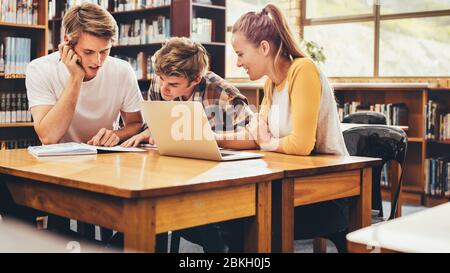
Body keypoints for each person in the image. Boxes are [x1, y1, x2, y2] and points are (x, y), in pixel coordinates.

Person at [217, 4, 350, 252]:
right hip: (291, 184)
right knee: (229, 217)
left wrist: (267, 141)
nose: (237, 63)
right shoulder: (271, 83)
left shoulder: (303, 70)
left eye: (240, 54)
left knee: (238, 220)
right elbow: (256, 136)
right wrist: (213, 139)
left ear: (264, 48)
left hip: (326, 191)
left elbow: (301, 144)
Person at [120, 37, 254, 253]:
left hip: (221, 178)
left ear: (195, 79)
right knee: (150, 200)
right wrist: (149, 131)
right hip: (175, 173)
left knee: (187, 207)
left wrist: (209, 136)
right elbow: (159, 122)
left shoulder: (223, 94)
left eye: (173, 84)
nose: (164, 88)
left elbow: (254, 137)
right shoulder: (161, 84)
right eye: (161, 78)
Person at [22, 2, 144, 236]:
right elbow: (48, 136)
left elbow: (136, 124)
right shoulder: (39, 69)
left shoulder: (122, 70)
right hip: (58, 171)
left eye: (105, 51)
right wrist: (75, 78)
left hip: (107, 168)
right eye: (89, 52)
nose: (98, 61)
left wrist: (116, 134)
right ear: (67, 43)